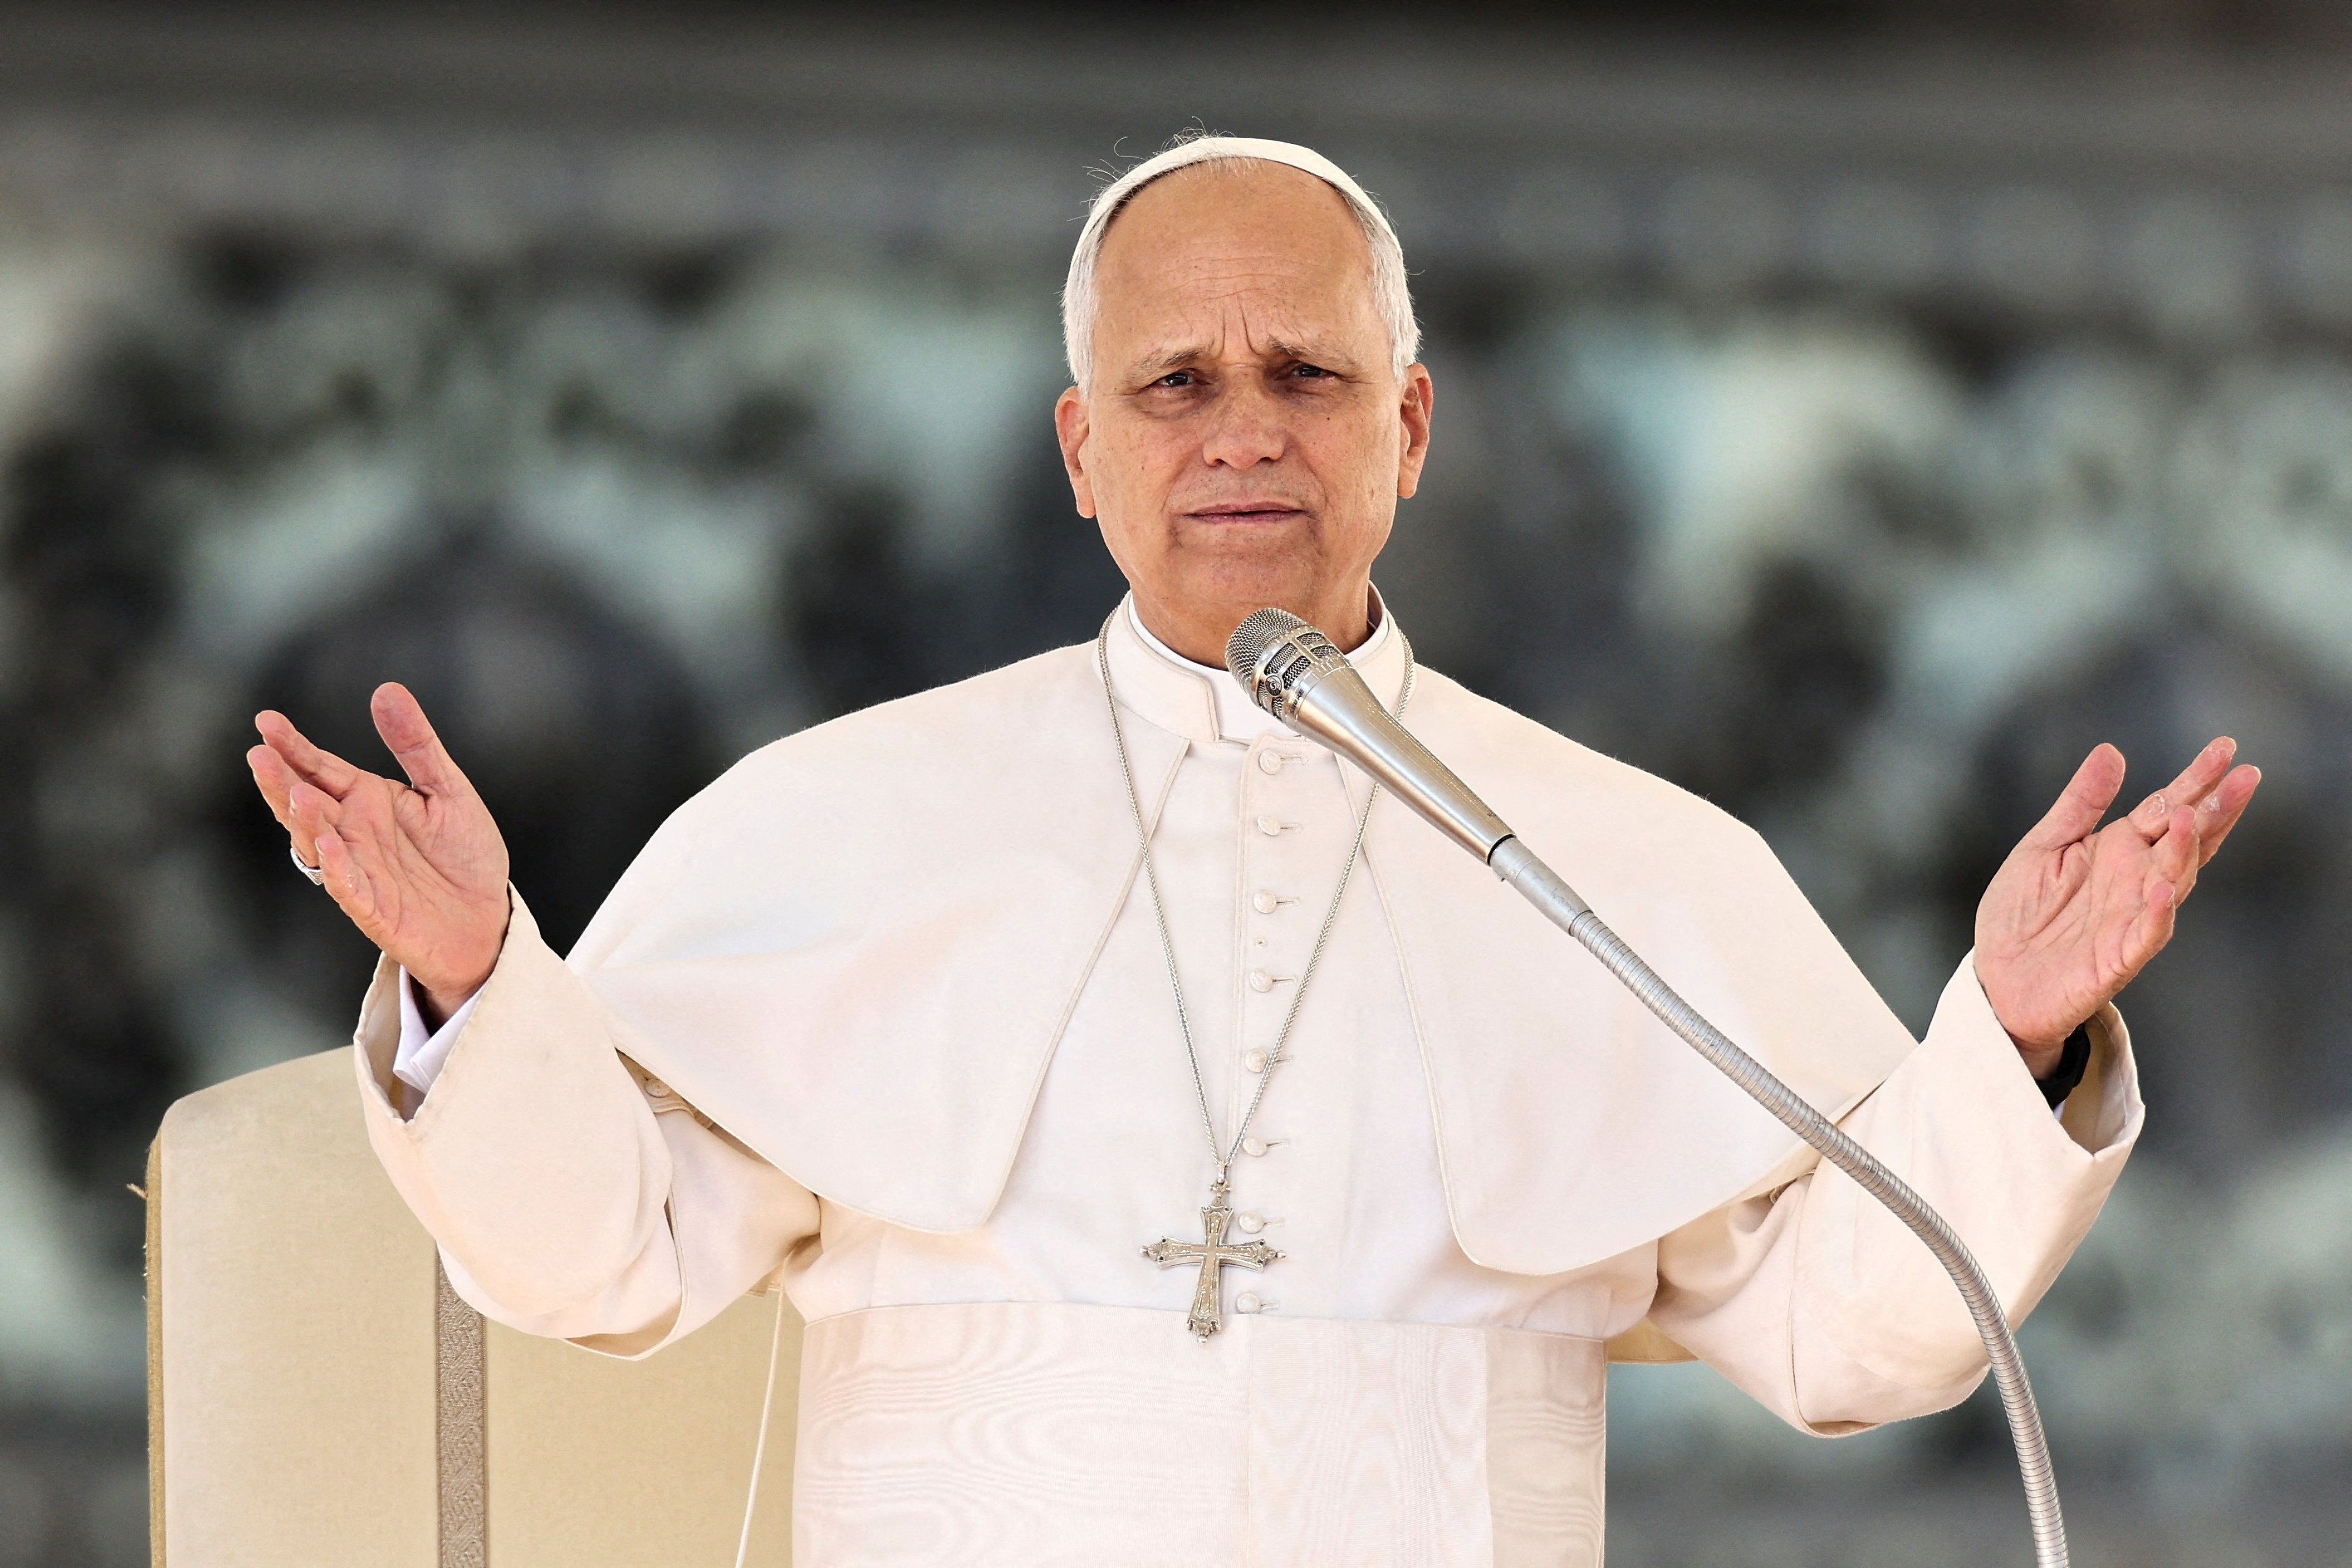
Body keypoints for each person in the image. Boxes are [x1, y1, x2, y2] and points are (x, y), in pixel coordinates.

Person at [246, 136, 2258, 1567]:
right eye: (1176, 383)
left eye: (1309, 375)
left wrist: (2004, 1040)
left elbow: (1857, 1324)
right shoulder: (837, 819)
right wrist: (477, 987)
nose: (1244, 433)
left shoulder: (1619, 856)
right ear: (1080, 447)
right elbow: (601, 1257)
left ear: (1409, 429)